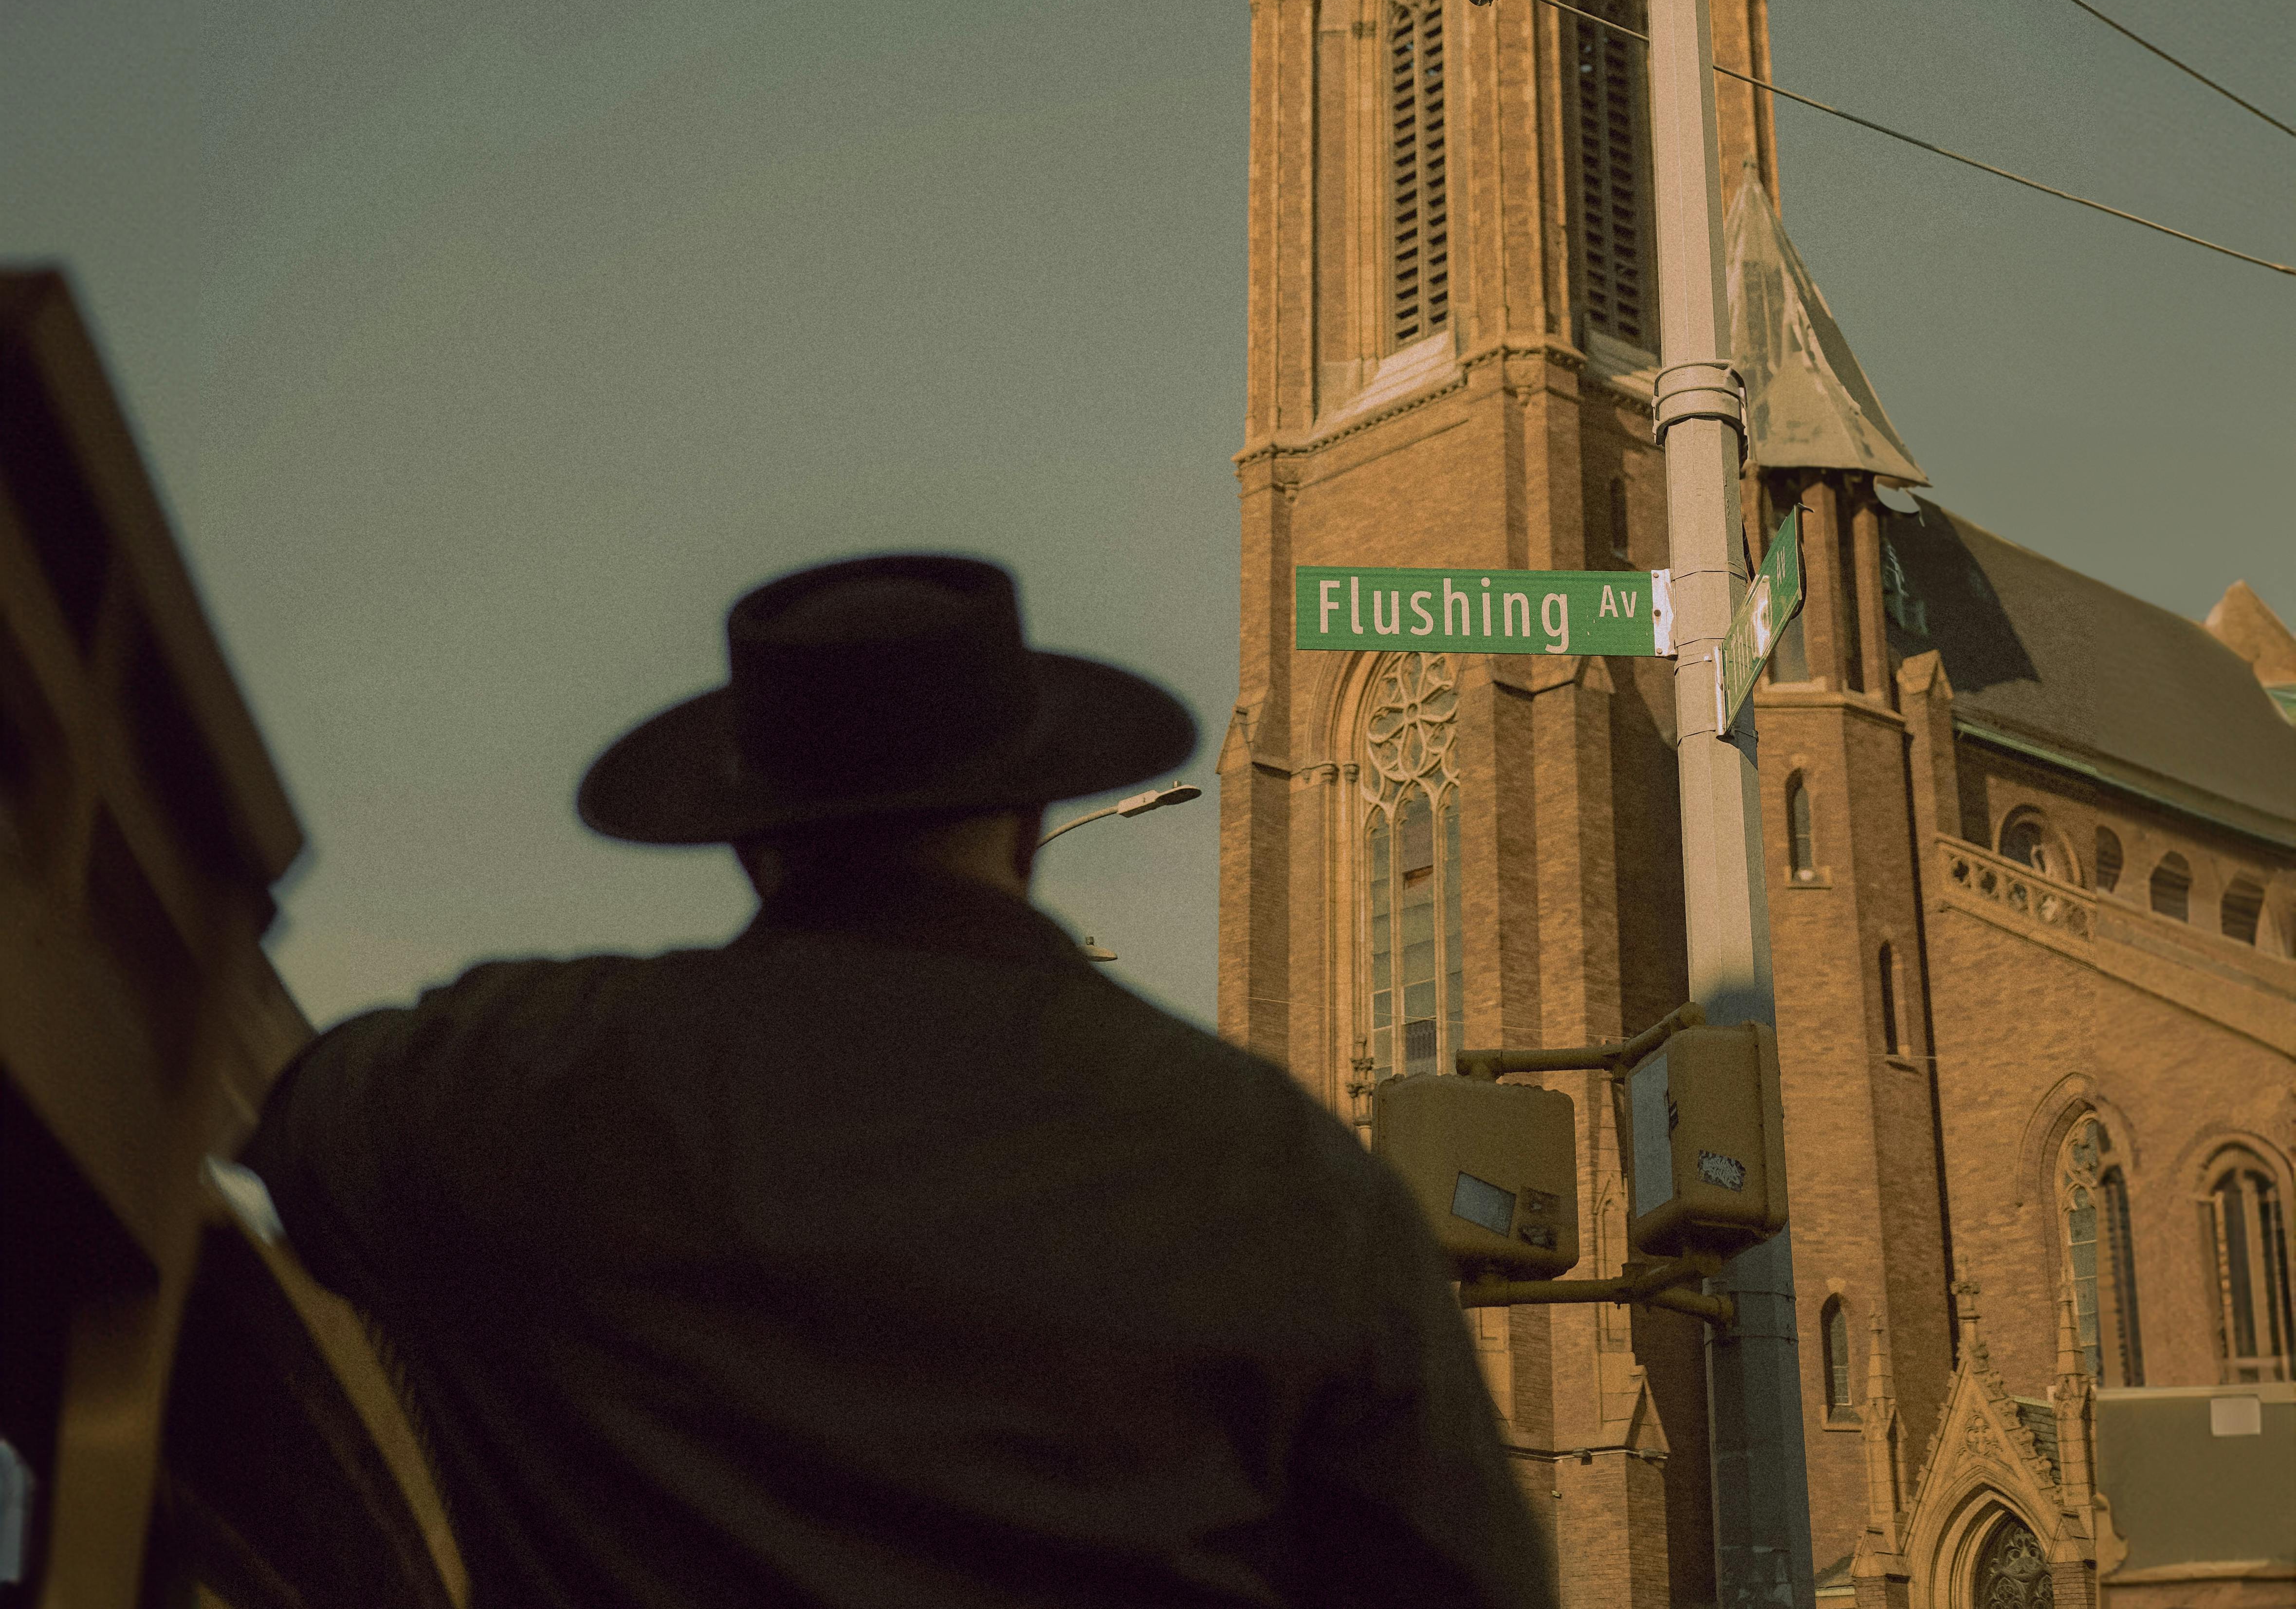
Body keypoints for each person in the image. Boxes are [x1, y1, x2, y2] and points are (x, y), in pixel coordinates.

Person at [244, 554, 1550, 1607]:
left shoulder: (517, 1082)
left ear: (749, 839)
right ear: (1031, 821)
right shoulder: (1287, 1174)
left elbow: (288, 1126)